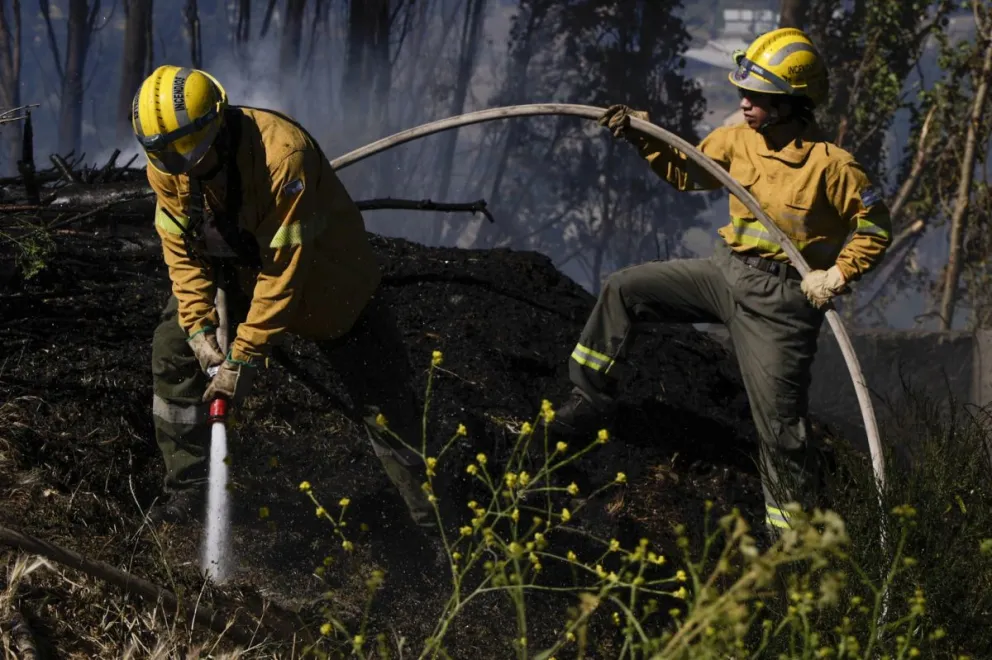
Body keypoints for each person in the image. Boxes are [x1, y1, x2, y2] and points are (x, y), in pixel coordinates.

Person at [550, 28, 891, 535]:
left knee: (780, 431)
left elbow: (876, 228)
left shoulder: (834, 168)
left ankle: (790, 543)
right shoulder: (736, 140)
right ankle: (587, 400)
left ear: (790, 102)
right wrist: (644, 135)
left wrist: (836, 274)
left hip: (781, 304)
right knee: (626, 288)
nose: (744, 101)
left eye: (757, 95)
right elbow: (687, 171)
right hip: (724, 273)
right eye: (744, 91)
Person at [131, 65, 434, 531]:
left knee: (384, 402)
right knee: (171, 349)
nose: (179, 167)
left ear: (217, 122)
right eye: (165, 156)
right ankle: (188, 488)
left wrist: (243, 360)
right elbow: (181, 248)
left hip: (327, 282)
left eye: (188, 153)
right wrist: (197, 325)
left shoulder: (282, 157)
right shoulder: (169, 162)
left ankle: (431, 524)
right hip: (240, 270)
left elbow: (285, 272)